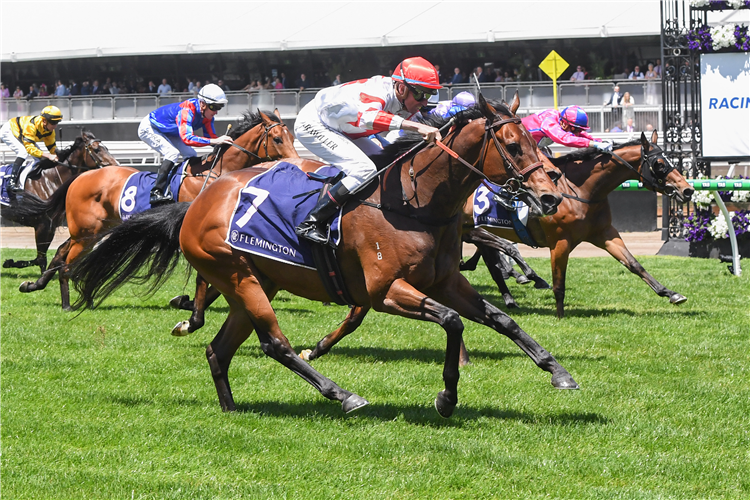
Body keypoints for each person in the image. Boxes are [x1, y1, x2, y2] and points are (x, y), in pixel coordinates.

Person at [293, 56, 443, 244]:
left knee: (389, 163)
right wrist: (416, 127)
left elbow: (426, 126)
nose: (424, 102)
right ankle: (311, 222)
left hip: (344, 128)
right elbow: (369, 118)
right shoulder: (378, 91)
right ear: (402, 88)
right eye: (421, 94)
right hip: (315, 123)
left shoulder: (406, 101)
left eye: (429, 95)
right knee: (364, 170)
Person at [137, 83, 234, 205]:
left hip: (170, 131)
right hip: (150, 127)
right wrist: (215, 141)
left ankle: (181, 185)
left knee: (191, 153)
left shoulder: (208, 116)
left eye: (219, 107)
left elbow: (211, 137)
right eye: (214, 107)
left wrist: (227, 146)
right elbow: (187, 138)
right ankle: (156, 192)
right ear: (203, 104)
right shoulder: (187, 110)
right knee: (172, 153)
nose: (216, 112)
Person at [0, 105, 63, 193]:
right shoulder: (31, 126)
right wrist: (48, 156)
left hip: (21, 134)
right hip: (9, 130)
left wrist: (57, 156)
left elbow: (51, 147)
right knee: (23, 152)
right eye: (53, 123)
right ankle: (11, 183)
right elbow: (30, 149)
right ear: (44, 121)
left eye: (57, 122)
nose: (55, 126)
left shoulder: (50, 131)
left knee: (38, 158)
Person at [521, 105, 611, 153]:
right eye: (575, 130)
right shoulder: (549, 122)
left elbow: (580, 135)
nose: (576, 134)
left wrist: (599, 141)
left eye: (579, 130)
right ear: (564, 124)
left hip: (531, 146)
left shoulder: (562, 120)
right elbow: (565, 139)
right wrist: (593, 144)